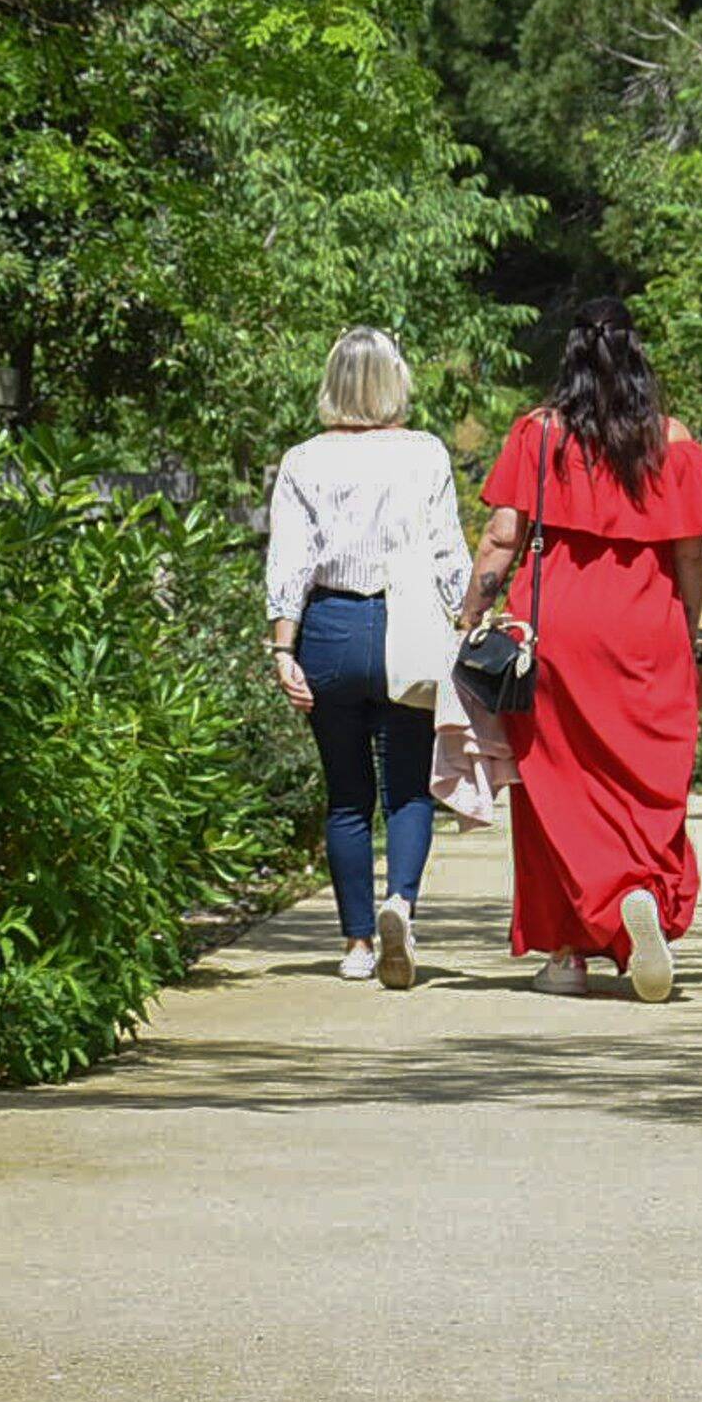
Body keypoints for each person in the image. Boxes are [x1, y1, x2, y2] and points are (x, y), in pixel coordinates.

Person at [471, 299, 702, 1000]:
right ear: (637, 354)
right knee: (646, 779)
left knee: (557, 789)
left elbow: (502, 537)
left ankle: (566, 955)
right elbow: (692, 555)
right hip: (646, 627)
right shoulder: (674, 442)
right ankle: (639, 890)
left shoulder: (538, 433)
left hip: (556, 628)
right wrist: (690, 632)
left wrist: (472, 609)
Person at [266, 326, 476, 989]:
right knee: (409, 784)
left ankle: (357, 941)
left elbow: (290, 560)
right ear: (395, 382)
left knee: (347, 793)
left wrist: (281, 646)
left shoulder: (303, 459)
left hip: (330, 625)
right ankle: (401, 906)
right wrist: (468, 623)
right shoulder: (424, 452)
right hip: (407, 625)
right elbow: (448, 553)